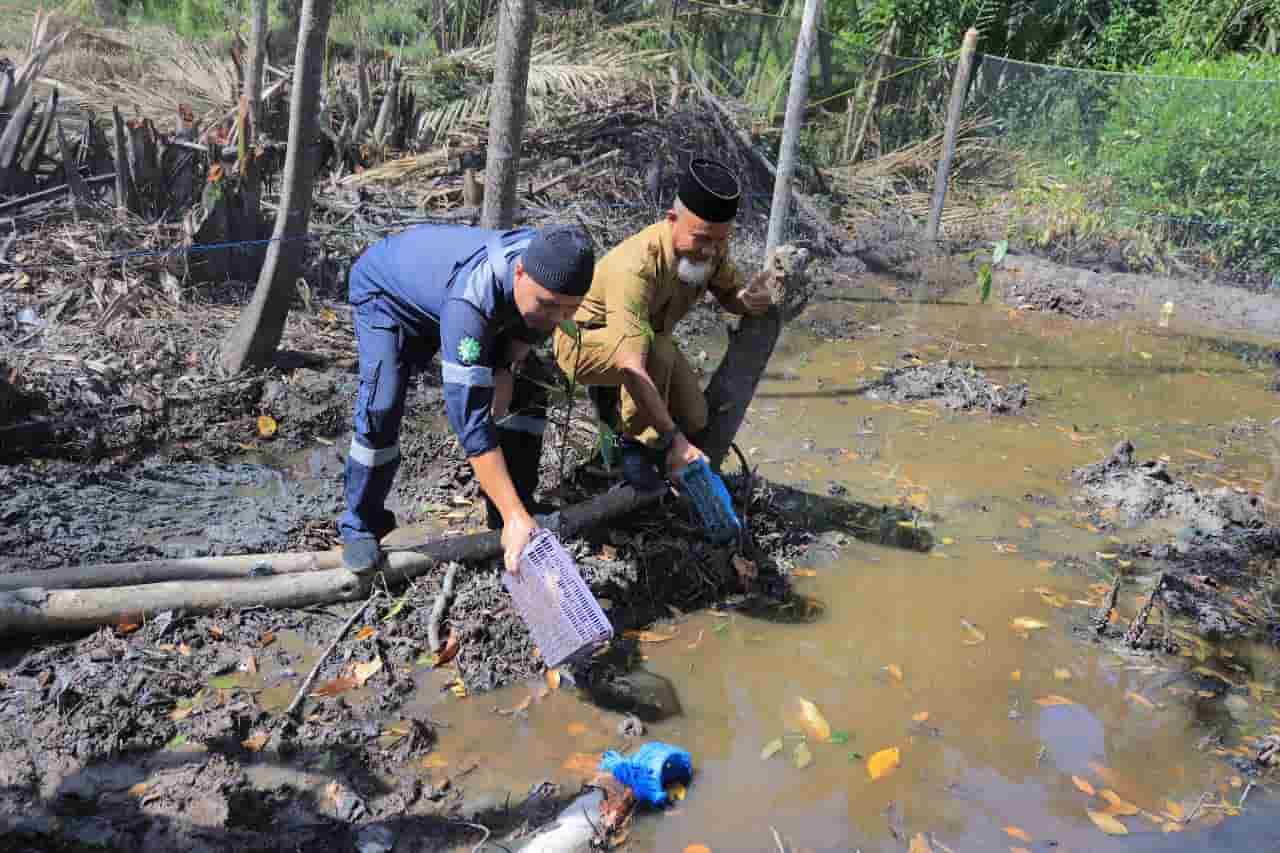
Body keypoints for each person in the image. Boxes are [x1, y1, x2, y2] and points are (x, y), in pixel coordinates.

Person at [338, 223, 595, 574]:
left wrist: (504, 367)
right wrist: (514, 516)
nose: (557, 319)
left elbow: (518, 346)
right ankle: (360, 524)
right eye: (549, 306)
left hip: (454, 298)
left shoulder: (552, 262)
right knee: (382, 403)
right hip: (388, 296)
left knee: (530, 381)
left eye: (569, 311)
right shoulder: (473, 300)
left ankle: (510, 504)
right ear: (519, 271)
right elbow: (469, 421)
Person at [552, 159, 774, 490]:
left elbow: (729, 293)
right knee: (656, 351)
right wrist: (672, 440)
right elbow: (632, 364)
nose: (710, 250)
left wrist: (747, 300)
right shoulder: (637, 265)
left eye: (719, 241)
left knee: (697, 417)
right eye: (701, 239)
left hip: (648, 344)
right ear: (672, 220)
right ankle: (634, 446)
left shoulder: (713, 248)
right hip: (584, 343)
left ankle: (645, 433)